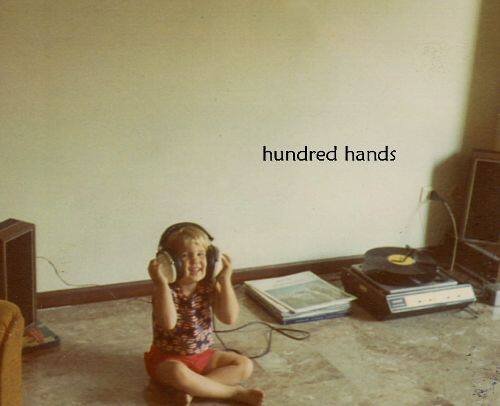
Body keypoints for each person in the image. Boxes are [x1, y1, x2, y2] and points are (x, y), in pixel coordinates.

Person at [144, 223, 264, 405]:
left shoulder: (207, 286)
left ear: (211, 258)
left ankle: (193, 390)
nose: (195, 261)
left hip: (203, 355)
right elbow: (168, 323)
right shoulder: (165, 290)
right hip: (168, 360)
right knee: (176, 372)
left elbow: (229, 317)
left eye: (201, 254)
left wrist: (225, 280)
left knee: (245, 365)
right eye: (185, 256)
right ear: (169, 262)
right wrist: (161, 284)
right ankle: (232, 393)